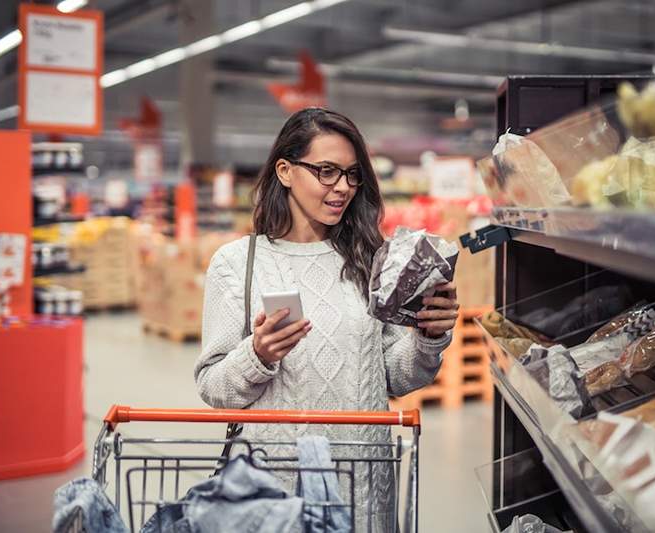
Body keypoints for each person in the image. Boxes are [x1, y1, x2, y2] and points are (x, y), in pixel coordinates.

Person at [195, 107, 460, 531]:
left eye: (353, 175)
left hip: (365, 485)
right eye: (326, 172)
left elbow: (394, 377)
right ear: (285, 170)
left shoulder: (374, 259)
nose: (343, 188)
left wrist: (428, 337)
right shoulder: (236, 263)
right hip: (275, 494)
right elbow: (213, 386)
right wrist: (257, 355)